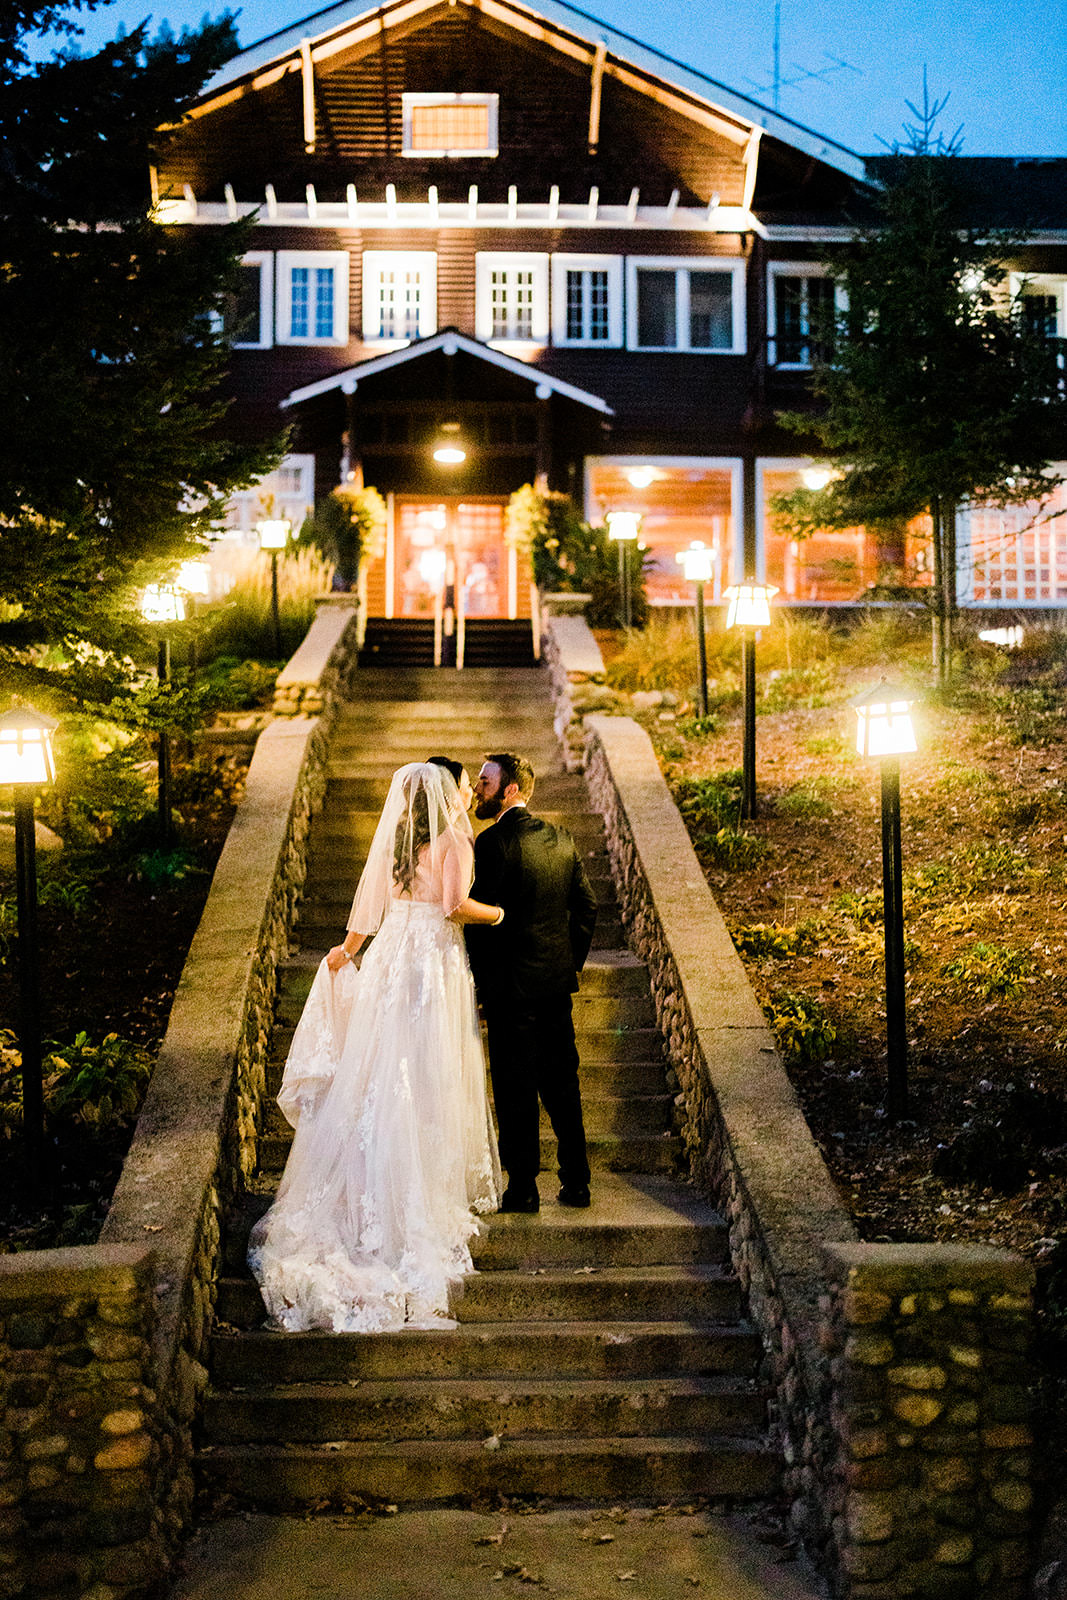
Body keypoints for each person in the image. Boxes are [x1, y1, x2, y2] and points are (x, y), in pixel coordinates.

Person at [248, 762, 503, 1332]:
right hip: (432, 960)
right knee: (430, 1068)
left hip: (391, 955)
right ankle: (419, 1181)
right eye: (462, 784)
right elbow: (455, 906)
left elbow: (370, 909)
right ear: (443, 794)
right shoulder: (456, 837)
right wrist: (501, 914)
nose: (466, 792)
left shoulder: (397, 843)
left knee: (384, 1069)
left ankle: (370, 1179)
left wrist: (346, 949)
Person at [466, 752, 598, 1214]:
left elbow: (479, 925)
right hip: (555, 987)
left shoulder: (491, 843)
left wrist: (481, 987)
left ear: (512, 790)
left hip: (510, 991)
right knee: (563, 1083)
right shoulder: (562, 838)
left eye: (485, 780)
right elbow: (587, 909)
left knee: (514, 1087)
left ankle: (522, 1188)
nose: (478, 788)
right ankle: (577, 1182)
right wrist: (567, 965)